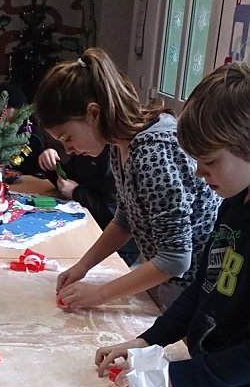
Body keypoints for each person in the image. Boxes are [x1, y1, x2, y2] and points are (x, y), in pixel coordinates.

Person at [95, 61, 250, 387]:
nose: (198, 172)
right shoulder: (233, 201)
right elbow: (203, 289)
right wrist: (147, 341)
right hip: (210, 373)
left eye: (210, 161)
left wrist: (173, 376)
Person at [33, 47, 220, 311]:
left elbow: (176, 259)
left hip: (192, 292)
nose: (68, 150)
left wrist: (98, 295)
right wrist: (83, 266)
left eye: (67, 138)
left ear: (93, 114)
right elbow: (126, 218)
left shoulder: (152, 153)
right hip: (165, 278)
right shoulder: (120, 145)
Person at [37, 146, 139, 266]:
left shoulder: (114, 158)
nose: (67, 149)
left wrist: (76, 192)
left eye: (68, 138)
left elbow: (113, 215)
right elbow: (68, 183)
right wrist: (52, 165)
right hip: (86, 227)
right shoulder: (84, 151)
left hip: (119, 248)